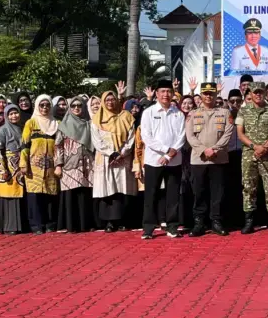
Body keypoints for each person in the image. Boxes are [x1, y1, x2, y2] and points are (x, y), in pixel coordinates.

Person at [139, 80, 187, 239]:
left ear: (172, 93)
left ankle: (172, 227)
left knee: (173, 195)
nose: (166, 94)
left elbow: (182, 136)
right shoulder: (149, 112)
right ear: (156, 94)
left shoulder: (178, 113)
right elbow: (146, 137)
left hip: (174, 160)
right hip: (154, 160)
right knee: (150, 194)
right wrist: (166, 151)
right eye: (162, 91)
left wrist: (170, 155)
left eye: (168, 91)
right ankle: (148, 228)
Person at [186, 82, 233, 237]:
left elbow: (228, 134)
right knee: (199, 191)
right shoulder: (192, 114)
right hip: (199, 159)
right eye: (205, 93)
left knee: (218, 192)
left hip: (218, 159)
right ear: (201, 95)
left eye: (211, 93)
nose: (208, 96)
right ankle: (199, 222)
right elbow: (190, 136)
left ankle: (216, 221)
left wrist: (214, 149)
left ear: (215, 95)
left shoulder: (225, 113)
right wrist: (203, 150)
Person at [237, 82, 268, 234]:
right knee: (249, 187)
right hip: (249, 155)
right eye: (255, 92)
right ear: (250, 93)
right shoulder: (243, 111)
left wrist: (265, 147)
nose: (258, 95)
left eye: (260, 92)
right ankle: (249, 221)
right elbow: (240, 133)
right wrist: (254, 146)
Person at [92, 91, 136, 232]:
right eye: (107, 100)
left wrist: (122, 153)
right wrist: (111, 153)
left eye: (112, 99)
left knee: (122, 189)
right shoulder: (97, 119)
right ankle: (109, 222)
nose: (110, 102)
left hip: (123, 158)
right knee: (108, 190)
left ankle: (123, 220)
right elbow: (96, 140)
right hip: (106, 159)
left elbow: (131, 137)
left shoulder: (126, 116)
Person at [22, 95, 61, 235]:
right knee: (35, 197)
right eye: (42, 105)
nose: (45, 108)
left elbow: (60, 146)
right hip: (34, 166)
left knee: (50, 196)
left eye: (47, 105)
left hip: (51, 166)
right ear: (37, 106)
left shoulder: (57, 123)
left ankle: (50, 224)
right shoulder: (31, 123)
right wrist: (23, 164)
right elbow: (25, 145)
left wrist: (59, 164)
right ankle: (36, 225)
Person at [56, 97, 95, 233]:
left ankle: (85, 224)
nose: (77, 108)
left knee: (85, 194)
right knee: (71, 194)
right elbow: (58, 146)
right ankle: (72, 225)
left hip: (87, 164)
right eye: (73, 106)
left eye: (80, 105)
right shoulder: (63, 125)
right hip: (69, 164)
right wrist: (58, 165)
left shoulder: (89, 124)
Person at [0, 105, 26, 235]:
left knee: (19, 195)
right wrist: (2, 169)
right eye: (10, 114)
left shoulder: (22, 129)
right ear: (6, 115)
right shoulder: (1, 131)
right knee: (8, 197)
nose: (14, 116)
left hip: (20, 167)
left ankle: (20, 225)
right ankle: (7, 225)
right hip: (8, 167)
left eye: (16, 113)